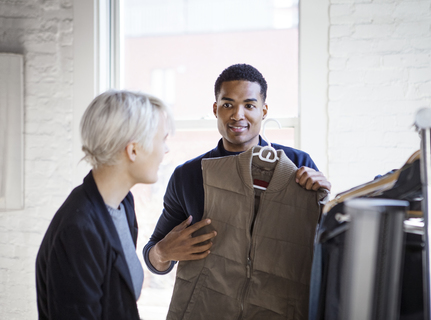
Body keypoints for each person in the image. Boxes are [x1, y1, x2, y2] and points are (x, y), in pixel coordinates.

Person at [143, 64, 331, 319]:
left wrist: (325, 200)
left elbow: (326, 245)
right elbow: (154, 258)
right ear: (215, 109)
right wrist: (162, 252)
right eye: (228, 104)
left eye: (249, 106)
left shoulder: (298, 165)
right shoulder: (189, 175)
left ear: (264, 111)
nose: (237, 115)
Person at [35, 90, 173, 320]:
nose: (166, 150)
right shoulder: (78, 231)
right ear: (133, 150)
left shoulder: (123, 203)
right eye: (162, 139)